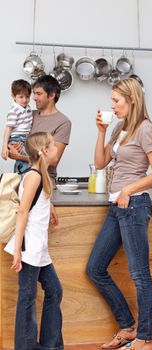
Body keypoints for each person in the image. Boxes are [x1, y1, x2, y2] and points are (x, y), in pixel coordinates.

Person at [86, 78, 152, 350]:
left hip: (134, 206)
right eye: (112, 101)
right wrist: (101, 131)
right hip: (116, 207)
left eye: (116, 101)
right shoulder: (120, 127)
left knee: (140, 275)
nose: (112, 105)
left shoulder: (146, 129)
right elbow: (100, 163)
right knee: (95, 269)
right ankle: (128, 327)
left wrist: (129, 189)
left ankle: (145, 339)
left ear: (132, 100)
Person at [4, 132, 64, 350]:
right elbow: (22, 211)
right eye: (53, 146)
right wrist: (19, 250)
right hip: (30, 249)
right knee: (27, 299)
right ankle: (27, 347)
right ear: (45, 151)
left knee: (55, 290)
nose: (57, 149)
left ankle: (51, 346)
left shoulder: (39, 175)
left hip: (39, 250)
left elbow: (34, 201)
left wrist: (49, 205)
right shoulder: (34, 176)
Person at [8, 75, 72, 188]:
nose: (34, 98)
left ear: (51, 95)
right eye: (34, 93)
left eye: (39, 93)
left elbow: (53, 161)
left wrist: (19, 156)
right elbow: (13, 136)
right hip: (21, 181)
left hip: (43, 185)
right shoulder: (28, 115)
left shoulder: (63, 122)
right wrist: (10, 147)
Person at [1, 79, 32, 173]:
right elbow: (8, 129)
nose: (25, 100)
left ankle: (20, 176)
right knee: (25, 160)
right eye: (21, 97)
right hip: (17, 138)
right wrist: (4, 147)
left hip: (24, 138)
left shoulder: (27, 108)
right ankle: (20, 176)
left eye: (27, 97)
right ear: (13, 96)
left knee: (23, 159)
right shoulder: (14, 111)